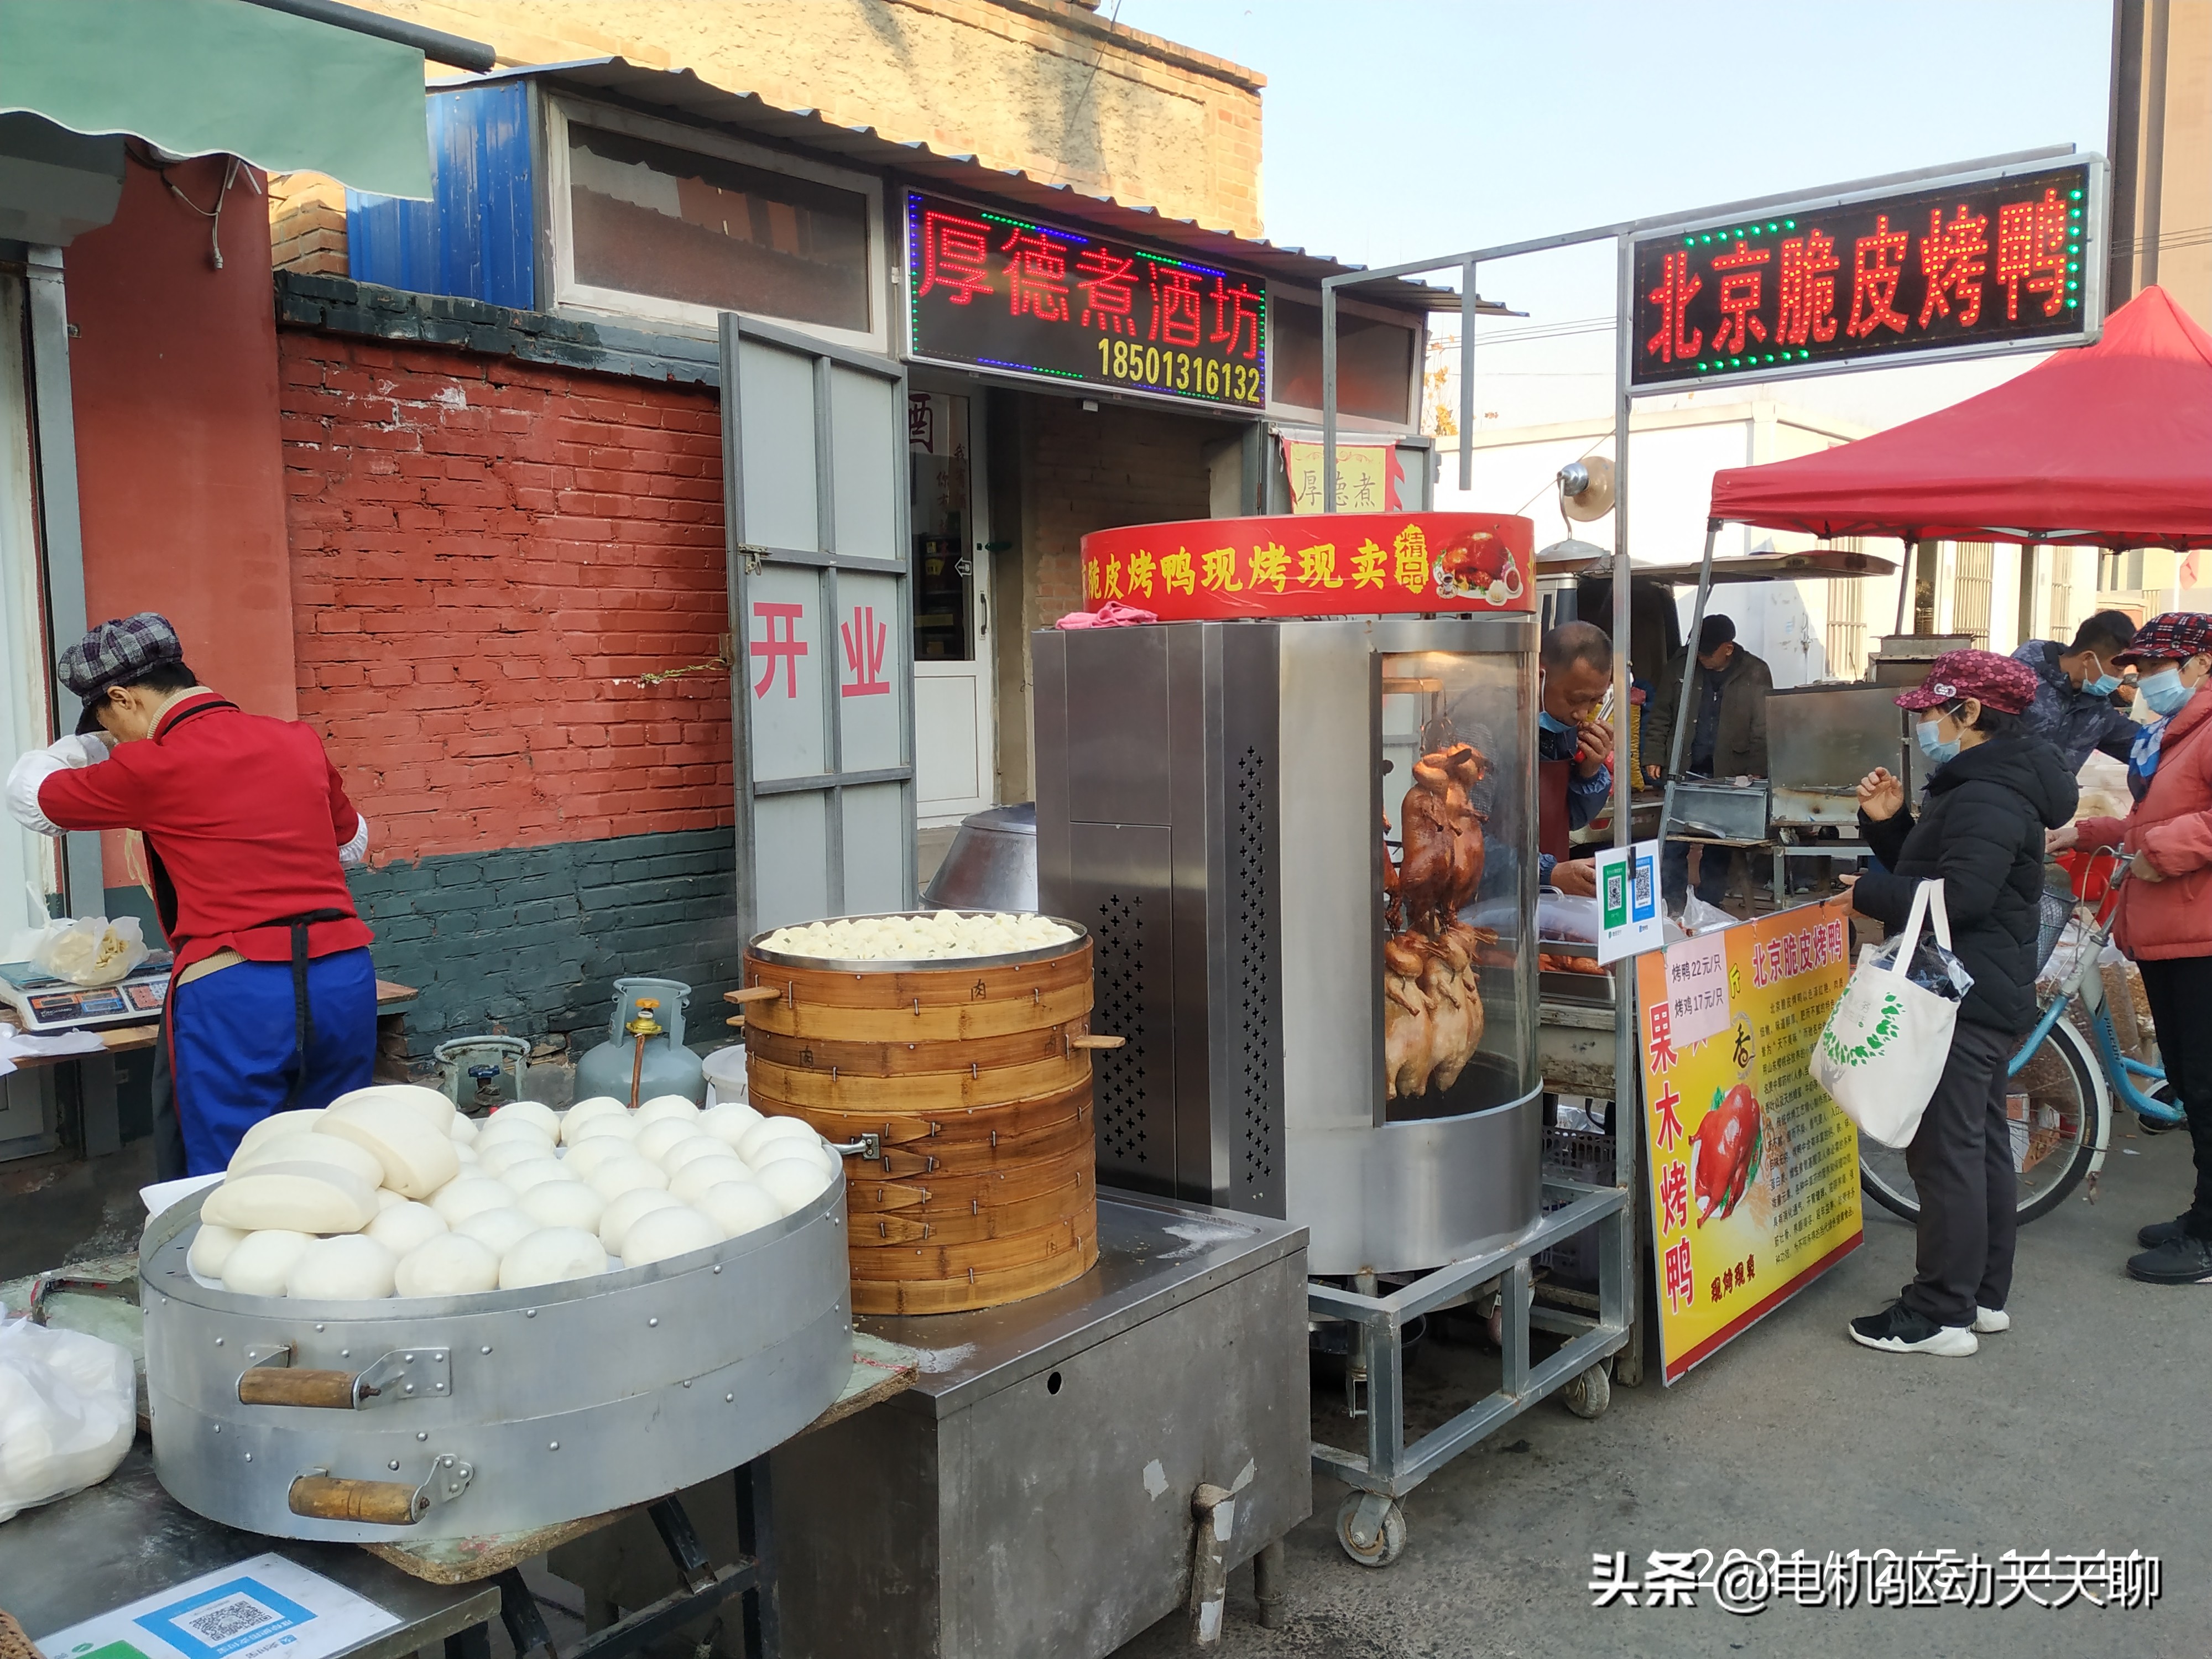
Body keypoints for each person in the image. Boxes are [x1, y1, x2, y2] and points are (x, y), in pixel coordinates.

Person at [3, 614, 377, 1177]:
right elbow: (352, 843)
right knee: (335, 1157)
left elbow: (29, 795)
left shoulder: (150, 765)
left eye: (107, 720)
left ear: (121, 699)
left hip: (237, 986)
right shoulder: (295, 739)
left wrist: (86, 748)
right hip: (342, 975)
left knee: (230, 1177)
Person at [1839, 650, 2076, 1356]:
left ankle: (1938, 1312)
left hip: (1959, 993)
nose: (1924, 727)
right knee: (1974, 1149)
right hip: (1978, 986)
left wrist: (1866, 892)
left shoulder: (1986, 793)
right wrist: (1888, 828)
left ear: (1970, 714)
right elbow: (1951, 869)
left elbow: (1960, 900)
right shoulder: (1987, 783)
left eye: (1933, 713)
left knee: (1945, 1155)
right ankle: (1978, 1297)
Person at [2050, 614, 2212, 1286]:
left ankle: (2208, 1242)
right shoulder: (2178, 734)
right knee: (2192, 1086)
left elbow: (2177, 833)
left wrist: (2159, 851)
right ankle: (2203, 1216)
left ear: (2201, 663)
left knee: (2205, 1086)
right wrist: (2085, 832)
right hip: (2168, 930)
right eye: (2139, 669)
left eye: (2153, 668)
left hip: (2199, 933)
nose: (2141, 679)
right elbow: (2151, 822)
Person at [1644, 614, 1772, 909]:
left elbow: (1763, 729)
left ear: (1728, 648)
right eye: (1697, 650)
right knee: (1674, 841)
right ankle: (1672, 905)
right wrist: (1653, 755)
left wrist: (1756, 770)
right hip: (1684, 768)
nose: (1700, 657)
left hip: (1730, 774)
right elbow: (1661, 713)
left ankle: (1708, 907)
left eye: (1707, 653)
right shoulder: (1681, 666)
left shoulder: (1755, 672)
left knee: (1720, 845)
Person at [1536, 622, 1614, 899]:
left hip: (1547, 899)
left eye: (1595, 701)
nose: (1582, 713)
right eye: (1575, 700)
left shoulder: (1564, 728)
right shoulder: (1488, 727)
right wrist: (1546, 872)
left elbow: (1573, 819)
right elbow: (1470, 836)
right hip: (1486, 899)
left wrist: (1590, 771)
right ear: (1539, 676)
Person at [2012, 608, 2140, 774]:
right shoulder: (2018, 682)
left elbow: (2139, 745)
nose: (2120, 677)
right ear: (2088, 658)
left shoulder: (2097, 709)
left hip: (2054, 798)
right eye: (2118, 668)